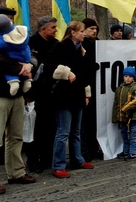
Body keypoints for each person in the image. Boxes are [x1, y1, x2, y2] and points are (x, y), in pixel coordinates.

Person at [0, 7, 37, 195]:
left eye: (11, 18)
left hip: (16, 93)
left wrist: (30, 64)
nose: (10, 22)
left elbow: (32, 54)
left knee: (16, 136)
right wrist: (24, 67)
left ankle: (16, 172)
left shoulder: (17, 34)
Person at [44, 21, 94, 178]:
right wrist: (66, 72)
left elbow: (84, 73)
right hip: (63, 95)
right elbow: (50, 67)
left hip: (77, 93)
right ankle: (58, 165)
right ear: (73, 32)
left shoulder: (81, 49)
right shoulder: (60, 46)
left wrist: (86, 93)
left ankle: (77, 159)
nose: (84, 34)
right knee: (63, 131)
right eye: (81, 31)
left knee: (76, 131)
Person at [25, 16, 59, 173]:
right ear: (43, 29)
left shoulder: (56, 44)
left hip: (52, 92)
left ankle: (47, 158)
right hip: (35, 93)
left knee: (50, 127)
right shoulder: (29, 43)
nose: (56, 30)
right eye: (53, 27)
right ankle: (32, 160)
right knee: (35, 128)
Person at [81, 18, 102, 162]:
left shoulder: (100, 44)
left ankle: (94, 147)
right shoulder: (80, 45)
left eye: (95, 29)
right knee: (84, 121)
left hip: (98, 89)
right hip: (84, 87)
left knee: (95, 120)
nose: (94, 31)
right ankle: (84, 150)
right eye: (91, 29)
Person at [112, 66, 136, 160]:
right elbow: (116, 103)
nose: (127, 78)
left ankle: (134, 152)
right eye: (125, 76)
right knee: (124, 135)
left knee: (133, 135)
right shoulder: (119, 88)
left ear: (134, 77)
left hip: (133, 117)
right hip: (122, 117)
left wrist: (125, 109)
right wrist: (115, 117)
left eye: (130, 76)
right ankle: (126, 151)